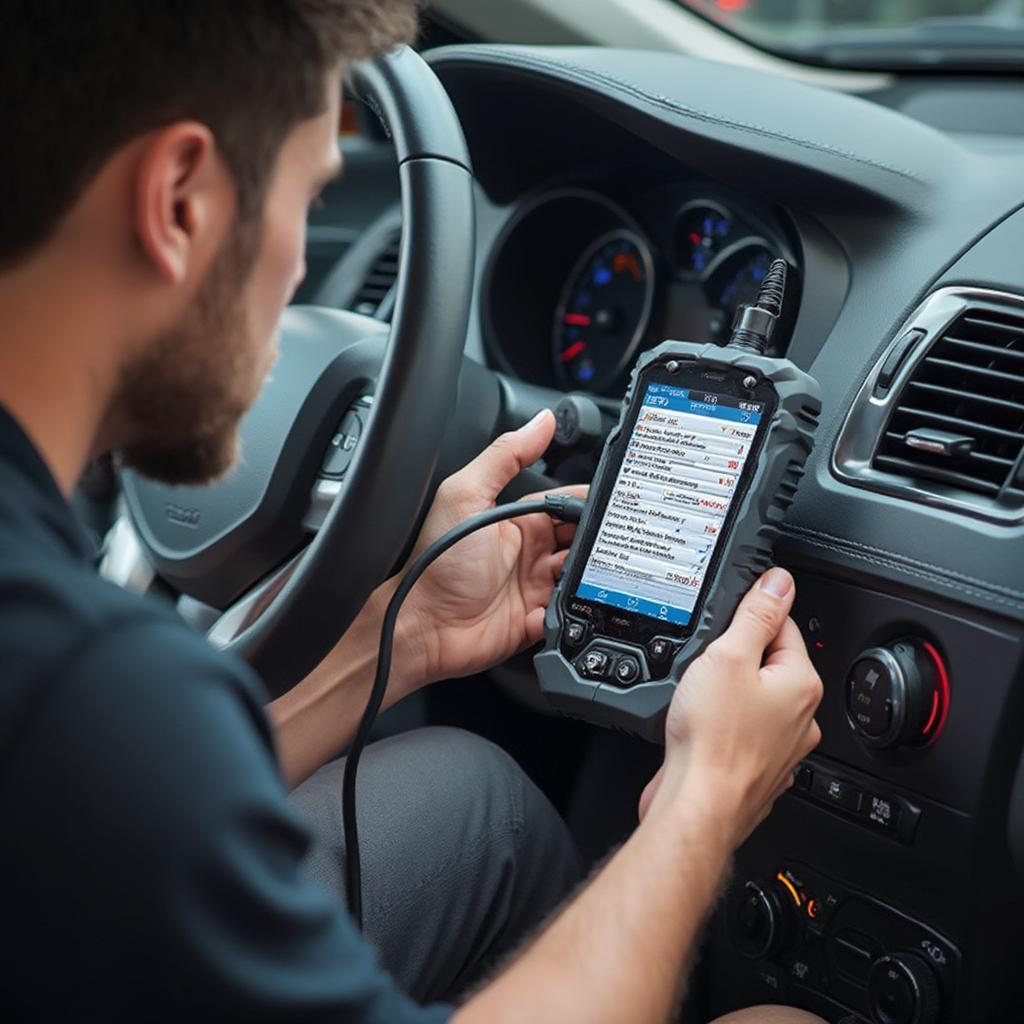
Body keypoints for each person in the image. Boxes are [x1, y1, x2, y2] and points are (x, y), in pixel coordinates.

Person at [0, 3, 825, 1021]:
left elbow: (101, 807)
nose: (304, 279)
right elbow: (100, 742)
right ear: (177, 202)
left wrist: (402, 629)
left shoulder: (58, 661)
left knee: (474, 795)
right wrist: (702, 802)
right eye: (307, 198)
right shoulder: (81, 679)